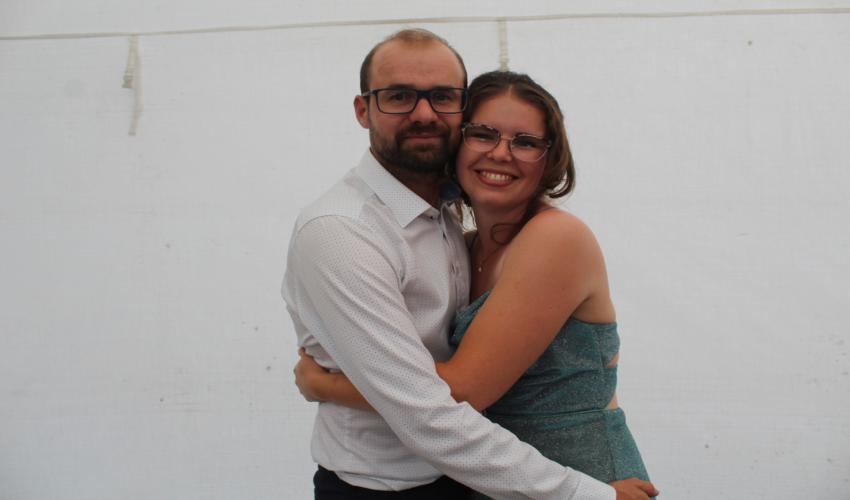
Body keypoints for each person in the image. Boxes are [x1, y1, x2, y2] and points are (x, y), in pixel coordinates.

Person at [283, 28, 657, 500]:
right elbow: (427, 403)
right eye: (399, 96)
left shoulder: (546, 237)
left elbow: (452, 394)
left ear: (550, 157)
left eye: (525, 142)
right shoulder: (353, 229)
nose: (500, 152)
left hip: (576, 473)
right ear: (363, 110)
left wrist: (327, 385)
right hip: (404, 485)